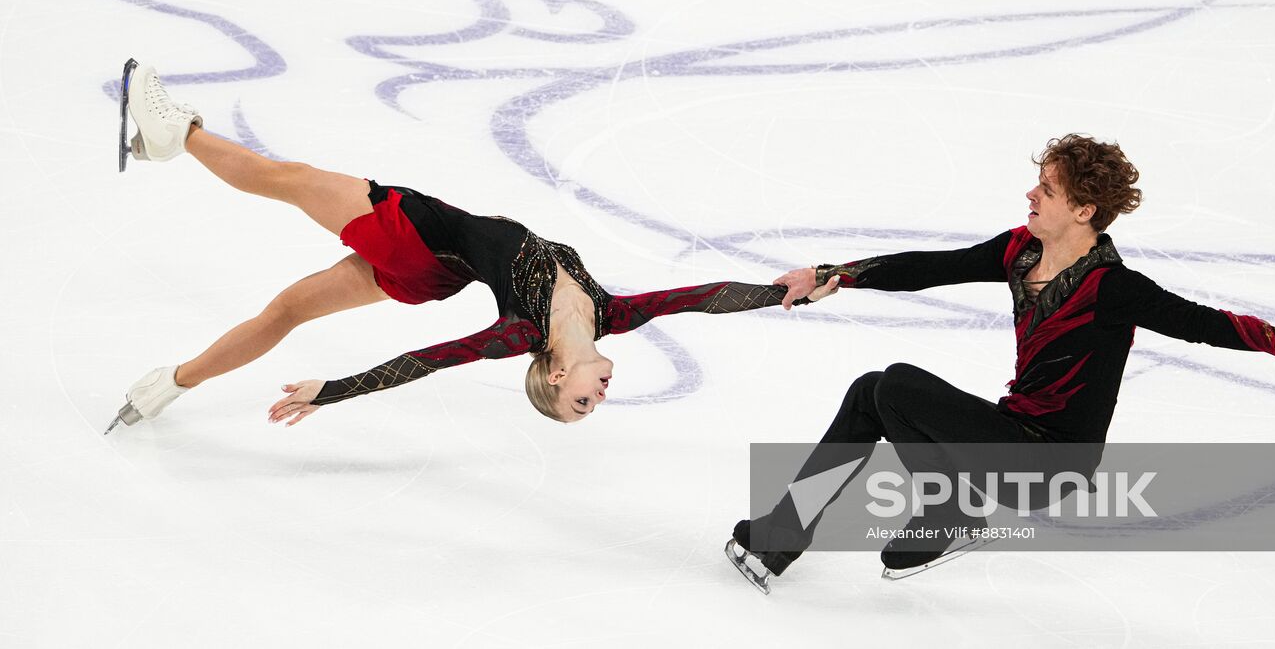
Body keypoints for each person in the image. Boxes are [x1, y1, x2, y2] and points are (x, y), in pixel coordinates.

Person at [727, 133, 1275, 592]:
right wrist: (832, 272)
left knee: (886, 386)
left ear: (1084, 209)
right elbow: (930, 268)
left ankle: (789, 532)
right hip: (1008, 433)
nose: (1031, 194)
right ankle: (948, 513)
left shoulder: (1113, 287)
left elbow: (1201, 322)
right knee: (881, 391)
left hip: (1052, 459)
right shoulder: (1019, 250)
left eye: (1047, 188)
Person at [106, 62, 839, 433]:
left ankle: (177, 134)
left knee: (288, 180)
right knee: (287, 310)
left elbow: (422, 362)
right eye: (595, 402)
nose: (600, 395)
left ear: (553, 374)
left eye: (582, 403)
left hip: (423, 236)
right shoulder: (615, 314)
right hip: (429, 272)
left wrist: (332, 391)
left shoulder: (520, 331)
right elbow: (704, 298)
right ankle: (170, 383)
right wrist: (786, 291)